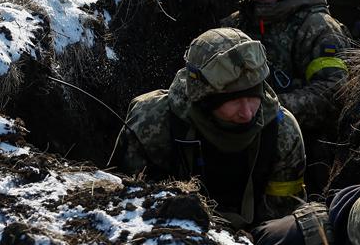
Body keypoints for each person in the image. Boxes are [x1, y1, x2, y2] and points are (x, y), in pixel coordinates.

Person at [116, 28, 306, 228]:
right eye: (233, 101)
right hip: (169, 234)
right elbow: (127, 207)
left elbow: (283, 216)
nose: (247, 113)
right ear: (204, 99)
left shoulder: (282, 131)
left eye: (253, 97)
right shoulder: (151, 122)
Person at [223, 0, 350, 133]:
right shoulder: (233, 25)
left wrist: (269, 109)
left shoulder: (317, 28)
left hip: (304, 139)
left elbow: (334, 90)